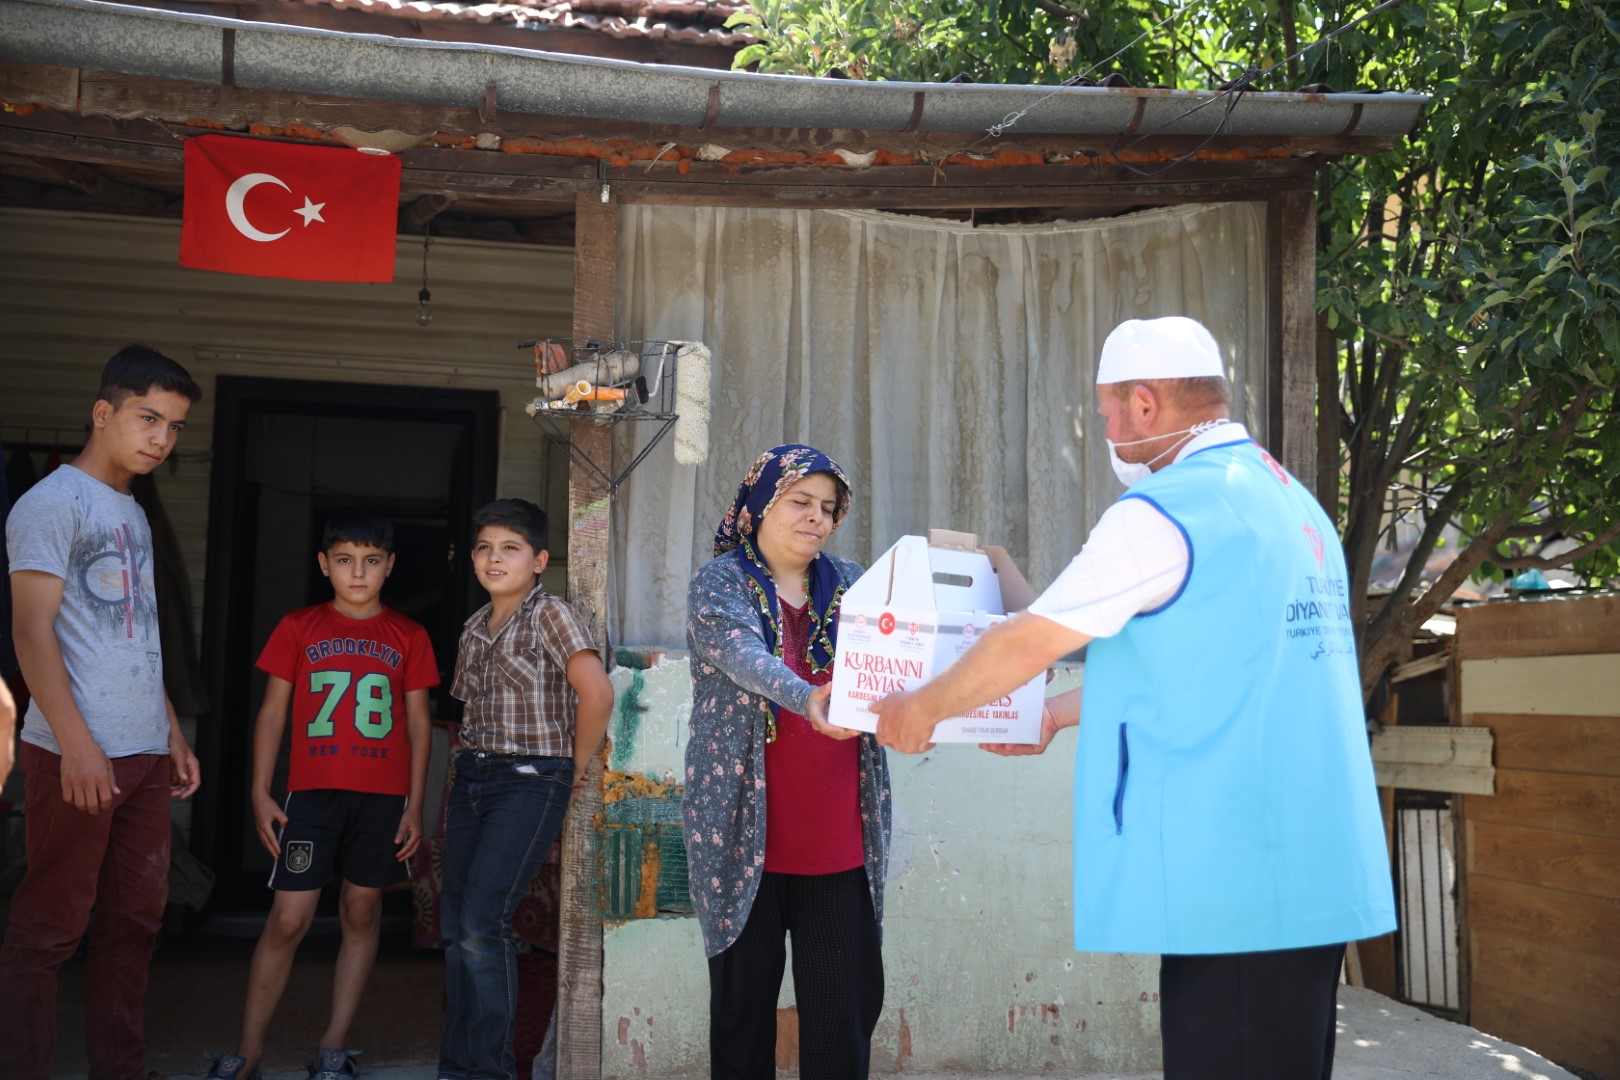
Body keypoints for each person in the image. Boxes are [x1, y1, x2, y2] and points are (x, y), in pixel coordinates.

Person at [855, 317, 1395, 1080]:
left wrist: (921, 708)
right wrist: (1053, 713)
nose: (1106, 428)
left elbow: (1029, 641)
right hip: (1307, 861)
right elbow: (1209, 664)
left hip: (1232, 872)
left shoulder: (1166, 511)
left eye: (1109, 410)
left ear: (1145, 404)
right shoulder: (1285, 501)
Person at [0, 345, 204, 1080]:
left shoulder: (133, 510)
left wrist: (171, 731)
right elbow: (31, 632)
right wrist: (78, 746)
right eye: (148, 418)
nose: (161, 438)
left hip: (142, 752)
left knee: (135, 923)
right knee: (49, 927)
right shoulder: (51, 502)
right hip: (75, 753)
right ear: (102, 412)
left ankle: (122, 1071)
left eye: (174, 427)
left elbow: (135, 633)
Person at [203, 510, 439, 1080]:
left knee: (362, 909)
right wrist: (259, 792)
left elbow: (418, 725)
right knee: (289, 918)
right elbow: (272, 713)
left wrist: (415, 804)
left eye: (371, 561)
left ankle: (334, 1046)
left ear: (390, 566)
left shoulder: (410, 635)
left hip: (382, 799)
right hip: (311, 796)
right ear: (323, 564)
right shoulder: (298, 627)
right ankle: (249, 1052)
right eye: (344, 560)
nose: (358, 573)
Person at [685, 444, 891, 1080]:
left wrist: (927, 707)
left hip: (838, 842)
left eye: (828, 508)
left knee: (840, 1024)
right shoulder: (719, 583)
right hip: (742, 840)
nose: (816, 518)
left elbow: (901, 661)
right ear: (760, 503)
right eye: (800, 501)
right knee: (743, 1025)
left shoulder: (855, 584)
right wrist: (807, 696)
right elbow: (742, 654)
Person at [438, 498, 614, 1080]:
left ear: (539, 560)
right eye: (485, 548)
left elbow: (597, 694)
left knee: (484, 922)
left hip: (531, 780)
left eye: (510, 549)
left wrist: (573, 766)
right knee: (458, 926)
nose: (495, 558)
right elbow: (471, 716)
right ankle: (456, 1065)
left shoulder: (550, 615)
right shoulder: (473, 627)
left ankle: (487, 1070)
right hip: (474, 776)